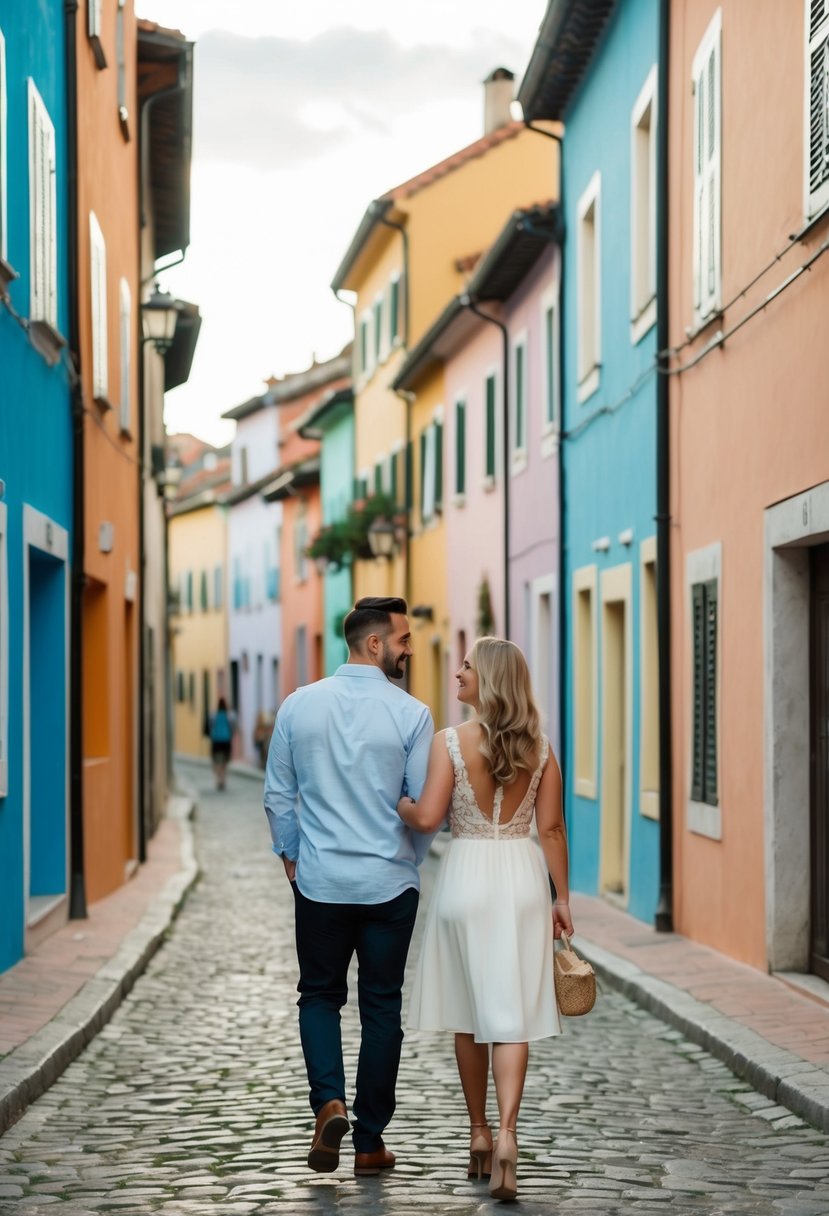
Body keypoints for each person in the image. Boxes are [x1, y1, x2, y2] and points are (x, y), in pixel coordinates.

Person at [397, 636, 573, 1204]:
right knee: (512, 1013)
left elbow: (425, 818)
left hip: (466, 879)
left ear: (489, 679)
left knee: (469, 1015)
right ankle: (508, 1136)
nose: (458, 671)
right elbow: (550, 831)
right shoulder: (541, 749)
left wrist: (397, 803)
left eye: (468, 665)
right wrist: (562, 899)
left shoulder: (450, 742)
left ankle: (475, 1131)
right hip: (521, 880)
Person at [264, 596, 434, 1178]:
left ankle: (328, 1104)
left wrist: (291, 856)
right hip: (388, 884)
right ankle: (368, 1142)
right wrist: (406, 864)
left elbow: (277, 794)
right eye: (404, 639)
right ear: (374, 644)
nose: (410, 648)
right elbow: (418, 806)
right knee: (382, 1007)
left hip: (321, 882)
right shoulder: (412, 715)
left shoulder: (298, 706)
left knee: (318, 996)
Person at [208, 697, 235, 790]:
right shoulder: (230, 716)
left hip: (216, 741)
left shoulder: (213, 715)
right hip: (226, 741)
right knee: (224, 762)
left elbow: (210, 727)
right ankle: (223, 779)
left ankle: (219, 779)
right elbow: (233, 727)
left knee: (217, 761)